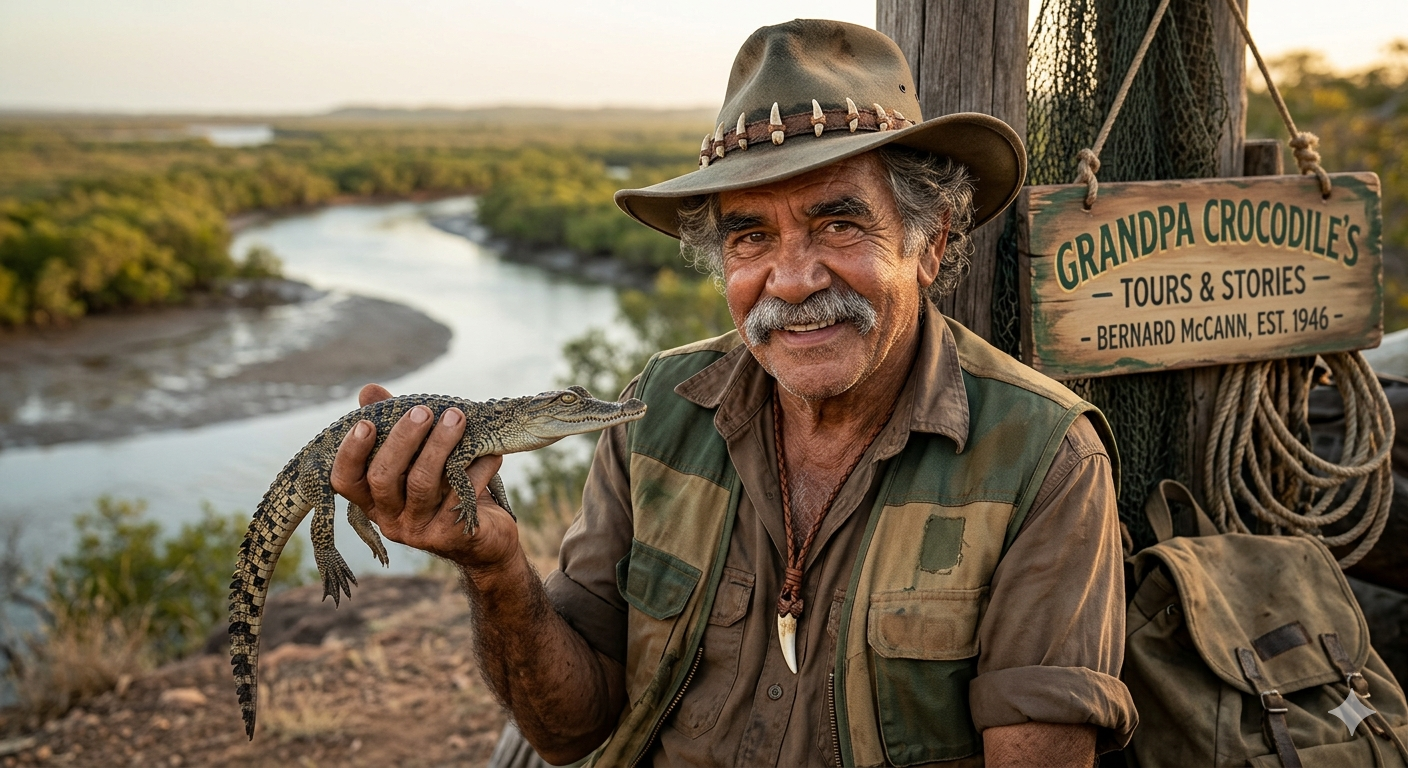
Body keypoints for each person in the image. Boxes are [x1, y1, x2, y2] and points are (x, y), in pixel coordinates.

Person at [331, 19, 1137, 767]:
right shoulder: (660, 408)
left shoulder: (1042, 459)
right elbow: (569, 730)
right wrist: (495, 564)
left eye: (840, 225)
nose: (791, 281)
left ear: (931, 244)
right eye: (750, 236)